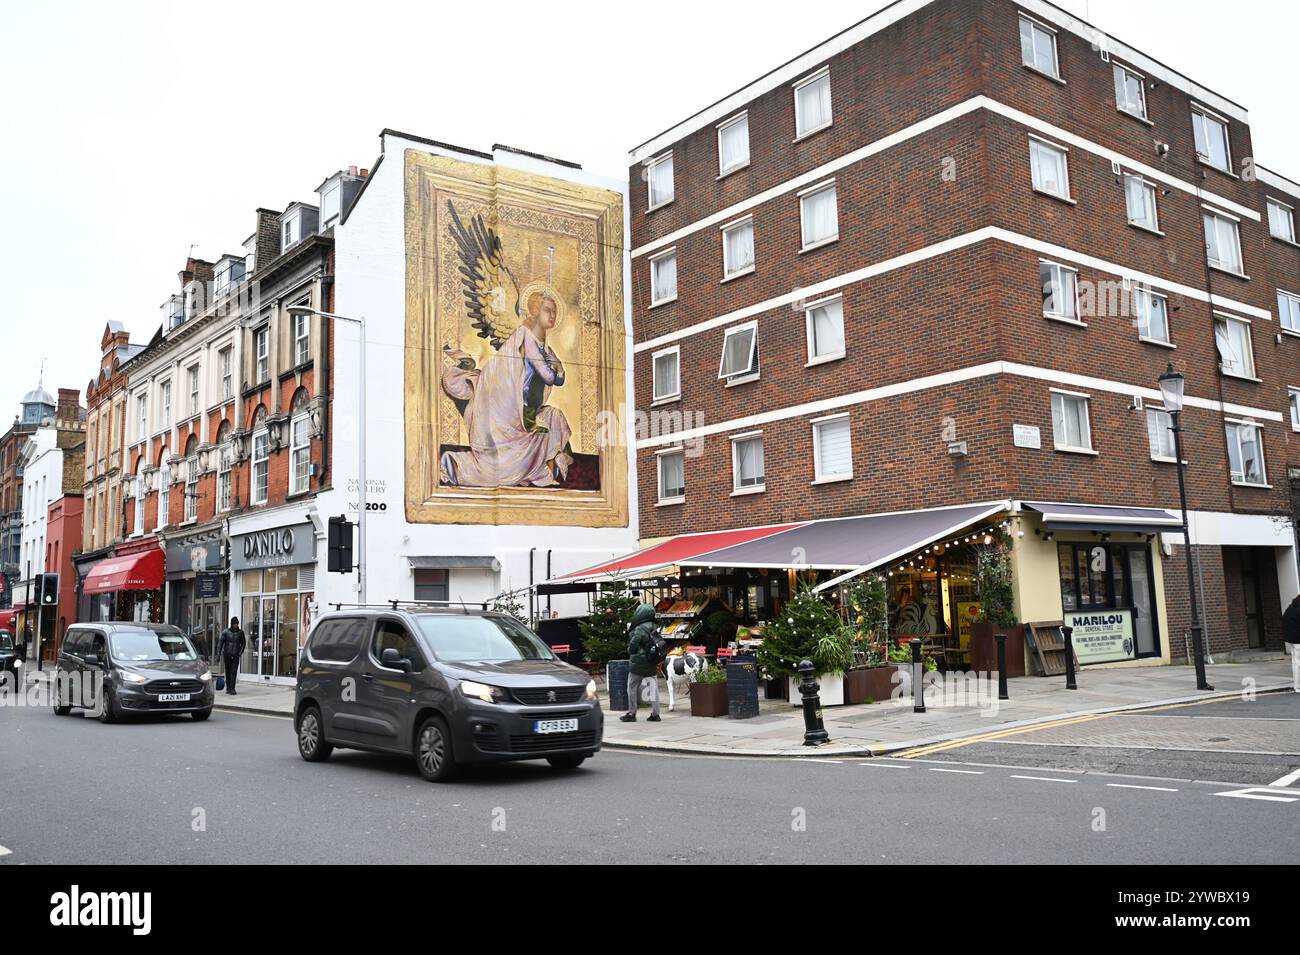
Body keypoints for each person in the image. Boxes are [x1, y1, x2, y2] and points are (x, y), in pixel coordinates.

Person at [619, 603, 661, 723]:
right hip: (651, 661)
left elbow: (633, 647)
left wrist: (629, 649)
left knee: (631, 687)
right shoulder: (654, 626)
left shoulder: (639, 628)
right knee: (653, 688)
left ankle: (632, 713)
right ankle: (655, 714)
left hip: (638, 664)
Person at [216, 617, 246, 696]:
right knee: (228, 671)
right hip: (227, 655)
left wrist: (240, 653)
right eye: (234, 624)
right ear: (231, 624)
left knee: (234, 672)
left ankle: (232, 688)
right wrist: (218, 654)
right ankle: (228, 687)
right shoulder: (226, 632)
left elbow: (243, 643)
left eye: (236, 623)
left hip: (236, 655)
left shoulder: (240, 633)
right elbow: (220, 643)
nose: (235, 625)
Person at [1284, 593, 1300, 693]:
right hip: (1298, 640)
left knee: (1295, 662)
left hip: (1291, 640)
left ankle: (1296, 685)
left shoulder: (1289, 610)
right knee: (1297, 663)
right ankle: (1297, 686)